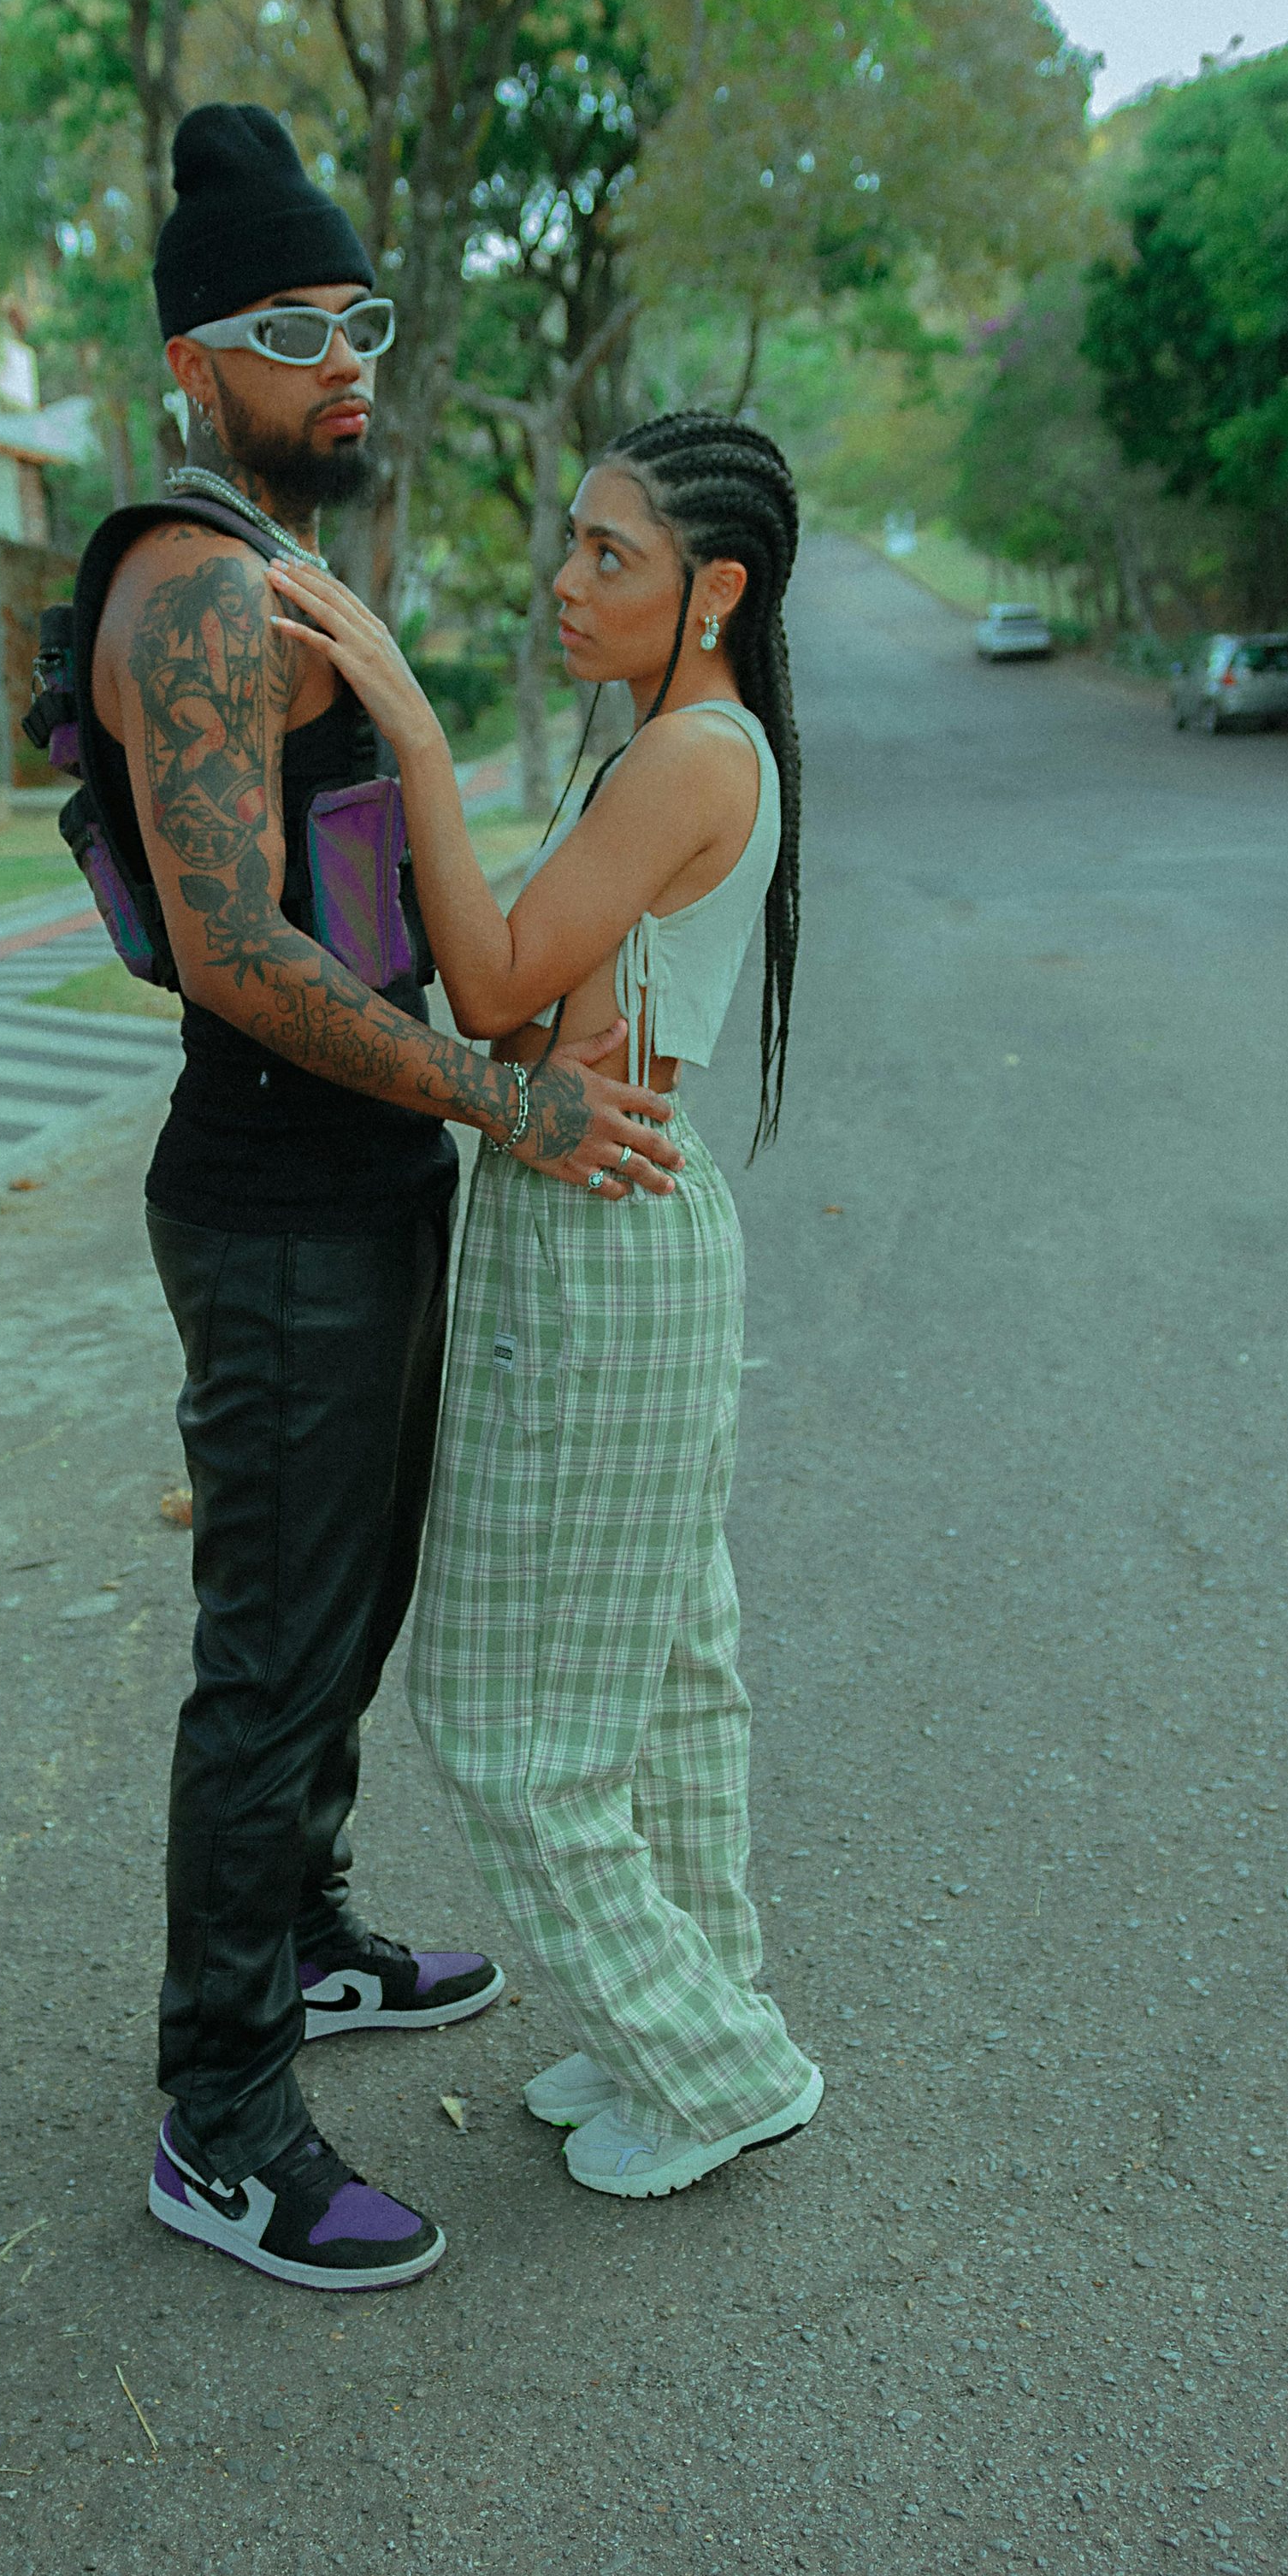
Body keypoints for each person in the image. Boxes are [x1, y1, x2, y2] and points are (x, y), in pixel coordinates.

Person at [77, 103, 683, 2293]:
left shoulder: (274, 556)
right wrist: (504, 1103)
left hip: (357, 1178)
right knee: (272, 1657)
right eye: (289, 330)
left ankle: (308, 1935)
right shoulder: (196, 590)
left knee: (341, 1617)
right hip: (274, 1206)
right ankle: (223, 2118)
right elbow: (241, 949)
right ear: (192, 363)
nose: (341, 360)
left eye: (363, 321)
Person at [266, 408, 824, 2203]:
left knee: (512, 1722)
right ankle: (690, 2007)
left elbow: (495, 972)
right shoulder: (667, 747)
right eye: (572, 542)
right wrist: (509, 1017)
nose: (567, 581)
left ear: (713, 590)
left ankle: (717, 2063)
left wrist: (417, 733)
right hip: (611, 1221)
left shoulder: (686, 755)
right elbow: (507, 1017)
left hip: (600, 1243)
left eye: (611, 555)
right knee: (665, 1672)